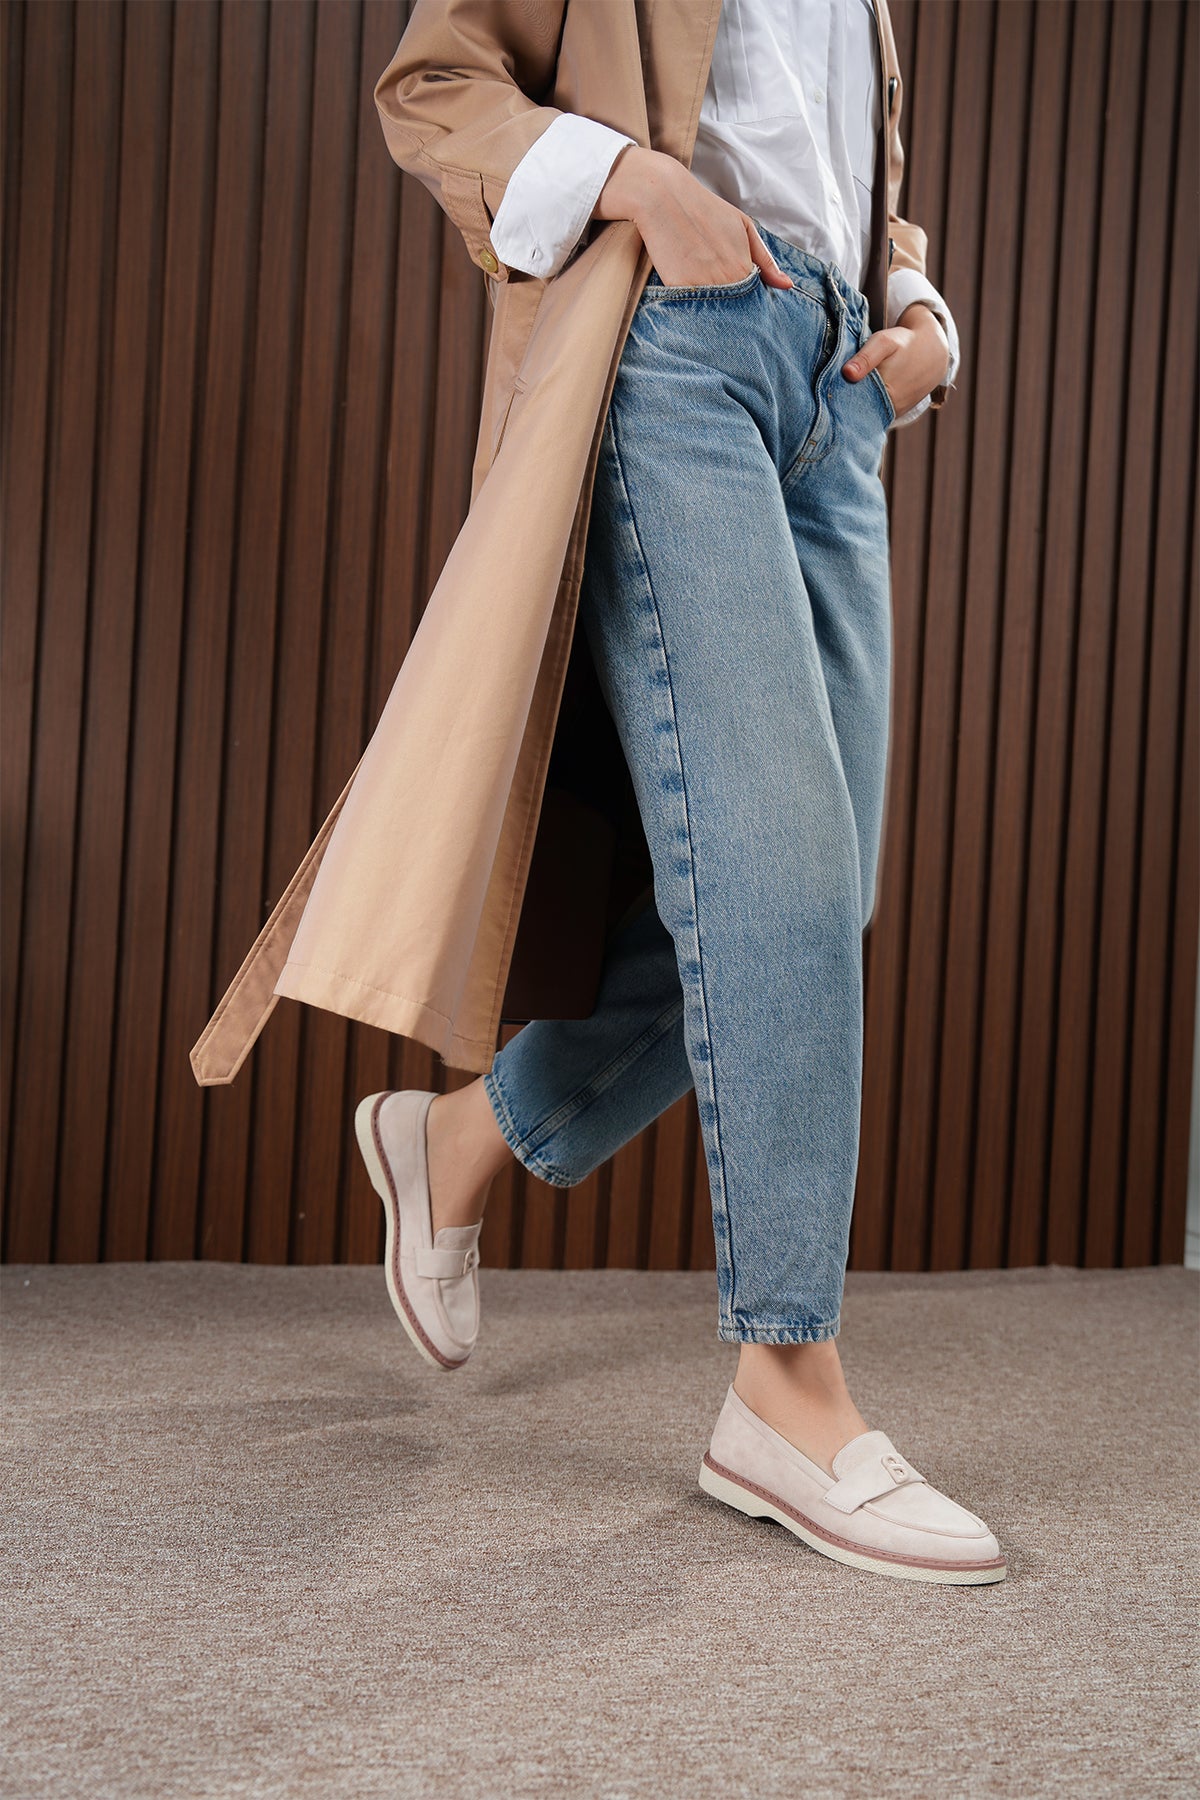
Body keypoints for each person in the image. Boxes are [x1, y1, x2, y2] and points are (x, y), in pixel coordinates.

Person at [355, 0, 1006, 1586]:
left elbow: (827, 160)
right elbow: (435, 85)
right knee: (779, 886)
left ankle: (460, 1142)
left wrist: (916, 307)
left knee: (820, 894)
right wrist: (639, 183)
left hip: (839, 390)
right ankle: (787, 1390)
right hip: (678, 349)